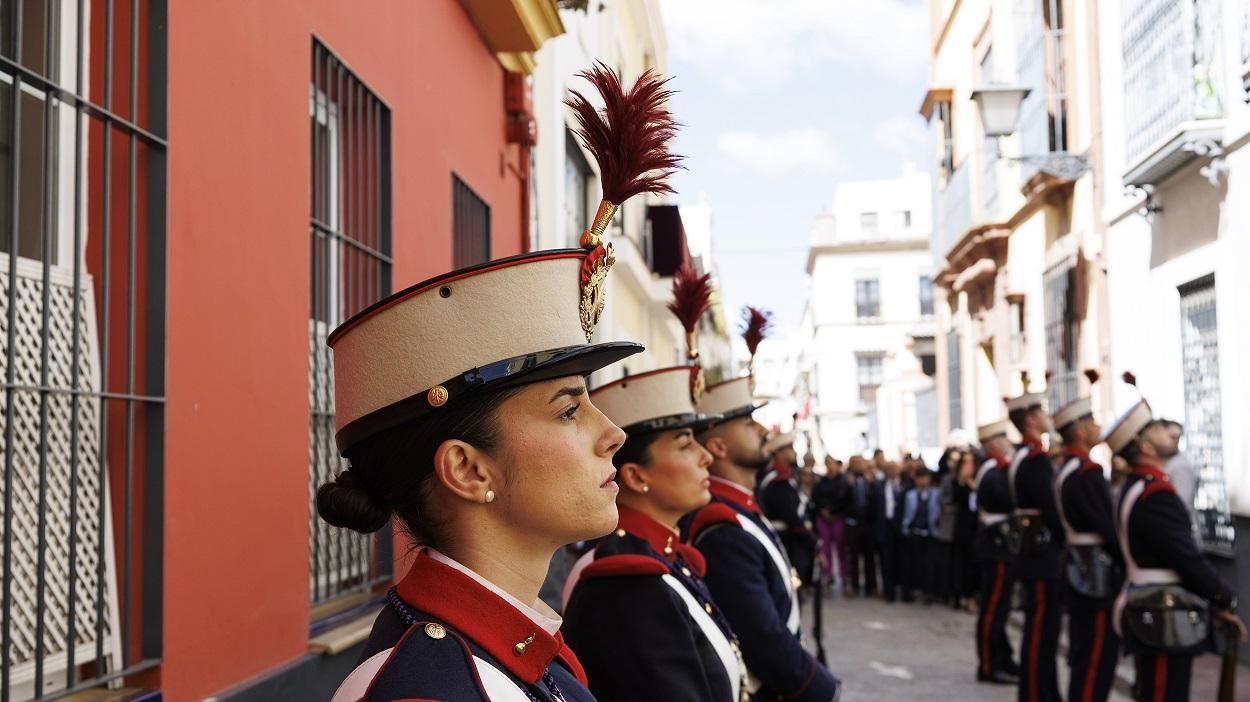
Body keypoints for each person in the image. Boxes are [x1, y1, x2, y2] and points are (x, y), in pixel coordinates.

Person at [320, 63, 677, 702]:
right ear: (468, 470)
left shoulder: (510, 648)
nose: (614, 434)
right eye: (569, 410)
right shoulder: (429, 689)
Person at [562, 366, 745, 701]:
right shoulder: (629, 582)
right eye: (685, 444)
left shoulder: (665, 559)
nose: (706, 457)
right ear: (634, 476)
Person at [685, 377, 841, 701]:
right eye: (748, 423)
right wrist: (820, 688)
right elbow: (762, 638)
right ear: (718, 446)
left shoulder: (741, 509)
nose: (763, 431)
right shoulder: (723, 528)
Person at [1103, 397, 1247, 702]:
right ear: (1146, 448)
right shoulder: (1156, 493)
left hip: (1153, 604)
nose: (1167, 432)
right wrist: (1223, 596)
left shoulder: (1141, 486)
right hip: (1162, 609)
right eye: (1156, 429)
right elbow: (1185, 556)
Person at [1052, 392, 1122, 702]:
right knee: (1095, 659)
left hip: (1077, 565)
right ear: (1079, 431)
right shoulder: (1086, 473)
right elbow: (1108, 527)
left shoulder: (1067, 469)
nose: (1097, 426)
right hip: (1094, 571)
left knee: (1084, 656)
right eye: (1091, 421)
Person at [1006, 390, 1064, 702]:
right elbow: (1052, 508)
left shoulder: (1025, 456)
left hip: (1032, 552)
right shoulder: (1036, 461)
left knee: (1039, 629)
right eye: (1041, 412)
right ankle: (1038, 693)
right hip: (1042, 554)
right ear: (1030, 420)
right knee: (1042, 631)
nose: (1046, 415)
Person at [974, 421, 1020, 685]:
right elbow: (1008, 498)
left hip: (1000, 545)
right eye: (1003, 440)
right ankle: (990, 665)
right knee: (993, 610)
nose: (1008, 444)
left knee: (1000, 609)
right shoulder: (994, 472)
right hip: (996, 545)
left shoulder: (995, 469)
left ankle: (1004, 658)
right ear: (993, 445)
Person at [761, 433, 817, 592]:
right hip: (786, 541)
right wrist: (811, 538)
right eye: (790, 449)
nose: (795, 452)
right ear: (779, 453)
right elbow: (791, 517)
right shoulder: (778, 481)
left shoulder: (787, 478)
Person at [901, 466, 940, 603]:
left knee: (929, 565)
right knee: (912, 564)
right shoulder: (910, 495)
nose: (923, 481)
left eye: (925, 478)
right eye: (920, 478)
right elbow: (906, 514)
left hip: (930, 533)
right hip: (913, 532)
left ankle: (928, 592)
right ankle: (911, 591)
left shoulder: (935, 494)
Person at [949, 449, 981, 612]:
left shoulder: (979, 480)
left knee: (975, 564)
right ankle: (961, 595)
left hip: (977, 527)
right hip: (963, 528)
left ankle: (972, 596)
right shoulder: (957, 482)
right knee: (962, 564)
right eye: (965, 462)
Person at [813, 457, 850, 592]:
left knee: (841, 548)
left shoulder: (843, 481)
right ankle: (827, 576)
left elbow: (845, 499)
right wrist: (823, 511)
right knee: (825, 548)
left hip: (838, 517)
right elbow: (816, 497)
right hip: (824, 518)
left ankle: (844, 576)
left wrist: (834, 512)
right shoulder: (822, 481)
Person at [872, 459, 907, 602]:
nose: (892, 471)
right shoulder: (879, 486)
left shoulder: (905, 485)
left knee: (903, 561)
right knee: (886, 561)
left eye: (894, 468)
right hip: (885, 527)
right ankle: (889, 592)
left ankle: (905, 592)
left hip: (901, 527)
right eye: (889, 469)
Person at [844, 456, 878, 597]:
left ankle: (872, 587)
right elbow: (842, 502)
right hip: (853, 524)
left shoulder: (871, 481)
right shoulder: (846, 480)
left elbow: (876, 502)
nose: (858, 465)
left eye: (860, 463)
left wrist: (872, 483)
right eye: (855, 463)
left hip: (868, 524)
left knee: (869, 557)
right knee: (854, 557)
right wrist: (848, 487)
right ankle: (855, 586)